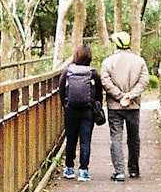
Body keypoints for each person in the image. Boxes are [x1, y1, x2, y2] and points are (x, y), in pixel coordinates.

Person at [100, 31, 149, 182]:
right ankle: (133, 170)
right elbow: (144, 81)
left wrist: (120, 96)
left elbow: (105, 82)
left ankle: (119, 171)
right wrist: (130, 96)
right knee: (134, 137)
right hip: (133, 105)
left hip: (115, 106)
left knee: (116, 136)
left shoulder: (108, 62)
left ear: (116, 44)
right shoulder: (139, 61)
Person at [58, 44, 103, 182]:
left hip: (70, 109)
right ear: (89, 57)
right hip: (88, 109)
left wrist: (64, 103)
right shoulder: (92, 72)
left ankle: (69, 168)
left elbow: (61, 87)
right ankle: (83, 171)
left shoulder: (68, 70)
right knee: (85, 140)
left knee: (71, 139)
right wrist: (97, 104)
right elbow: (99, 90)